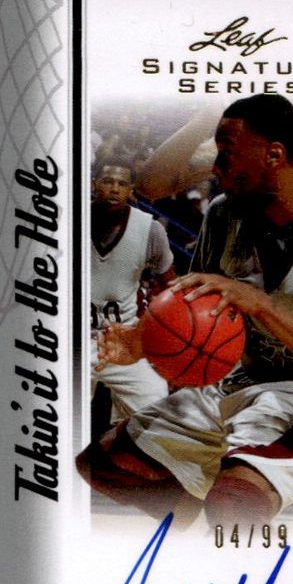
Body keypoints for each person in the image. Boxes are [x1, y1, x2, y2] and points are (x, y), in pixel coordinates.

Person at [77, 95, 293, 527]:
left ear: (274, 155)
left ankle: (238, 507)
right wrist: (146, 343)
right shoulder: (224, 213)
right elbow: (205, 326)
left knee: (235, 501)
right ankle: (194, 526)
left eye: (226, 153)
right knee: (106, 464)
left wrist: (261, 305)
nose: (215, 166)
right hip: (243, 380)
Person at [90, 156, 175, 422]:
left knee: (157, 408)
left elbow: (170, 286)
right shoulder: (67, 221)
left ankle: (120, 441)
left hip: (125, 339)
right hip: (73, 339)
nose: (114, 189)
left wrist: (155, 334)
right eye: (107, 181)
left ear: (130, 190)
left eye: (122, 184)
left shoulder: (150, 229)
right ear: (94, 185)